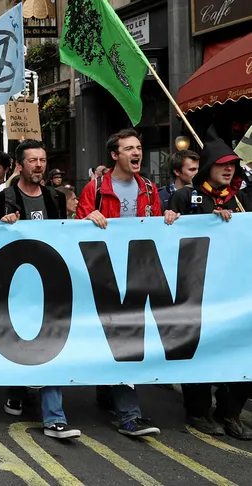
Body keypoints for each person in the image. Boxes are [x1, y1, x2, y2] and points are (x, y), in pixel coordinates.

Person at [0, 140, 81, 439]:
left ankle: (54, 417)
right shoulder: (3, 199)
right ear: (19, 165)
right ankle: (17, 390)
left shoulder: (55, 197)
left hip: (50, 285)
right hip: (17, 287)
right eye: (33, 160)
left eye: (43, 160)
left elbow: (65, 233)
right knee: (19, 343)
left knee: (51, 343)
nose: (39, 165)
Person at [163, 130, 252, 441]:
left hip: (238, 293)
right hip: (198, 292)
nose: (229, 170)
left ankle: (230, 412)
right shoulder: (186, 196)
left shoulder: (242, 199)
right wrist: (175, 219)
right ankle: (198, 411)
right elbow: (170, 238)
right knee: (201, 351)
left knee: (243, 352)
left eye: (233, 165)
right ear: (208, 167)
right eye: (222, 165)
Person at [75, 129, 161, 437]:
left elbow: (157, 227)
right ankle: (122, 407)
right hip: (103, 273)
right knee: (115, 336)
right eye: (129, 149)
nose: (136, 153)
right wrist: (87, 218)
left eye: (138, 147)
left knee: (126, 338)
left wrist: (172, 221)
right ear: (115, 155)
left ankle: (126, 410)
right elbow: (75, 228)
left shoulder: (150, 189)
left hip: (135, 273)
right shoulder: (95, 188)